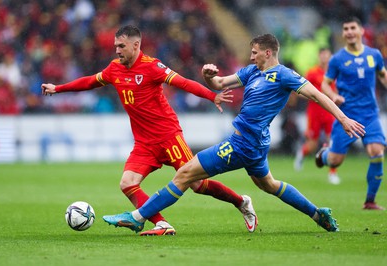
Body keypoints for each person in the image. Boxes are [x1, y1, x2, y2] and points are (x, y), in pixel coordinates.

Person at [102, 33, 366, 234]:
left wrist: (342, 119)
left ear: (268, 52)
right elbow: (219, 83)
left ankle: (137, 218)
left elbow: (317, 95)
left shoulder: (285, 76)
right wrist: (208, 76)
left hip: (243, 143)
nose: (251, 57)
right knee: (269, 185)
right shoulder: (252, 71)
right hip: (256, 144)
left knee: (184, 174)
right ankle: (317, 214)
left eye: (254, 53)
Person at [41, 25, 258, 236]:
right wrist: (58, 88)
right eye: (116, 46)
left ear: (136, 45)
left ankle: (241, 202)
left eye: (122, 46)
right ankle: (161, 223)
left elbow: (182, 83)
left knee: (198, 184)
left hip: (168, 137)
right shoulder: (114, 68)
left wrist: (212, 96)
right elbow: (90, 82)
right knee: (127, 184)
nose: (117, 50)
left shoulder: (152, 66)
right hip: (144, 143)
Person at [316, 16, 387, 210]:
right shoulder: (338, 59)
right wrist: (334, 96)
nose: (349, 31)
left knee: (377, 152)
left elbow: (382, 75)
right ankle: (324, 155)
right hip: (346, 116)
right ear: (343, 33)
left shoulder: (374, 55)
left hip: (370, 114)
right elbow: (324, 84)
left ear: (361, 31)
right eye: (345, 28)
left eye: (352, 27)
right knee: (335, 161)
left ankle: (370, 201)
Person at [294, 48, 340, 185]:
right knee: (312, 145)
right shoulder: (312, 72)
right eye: (322, 55)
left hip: (329, 113)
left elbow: (336, 91)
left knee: (333, 142)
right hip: (314, 113)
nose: (324, 57)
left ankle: (332, 173)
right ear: (319, 57)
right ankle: (301, 154)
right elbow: (299, 90)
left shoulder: (334, 73)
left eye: (327, 54)